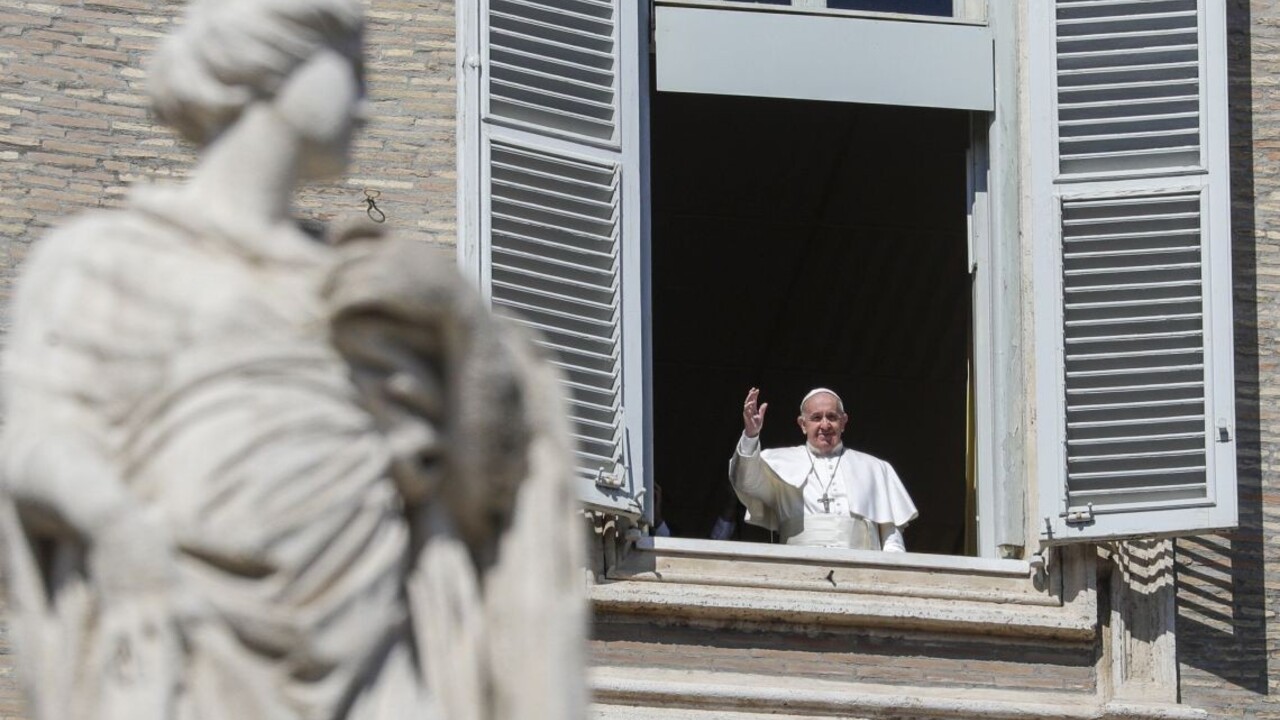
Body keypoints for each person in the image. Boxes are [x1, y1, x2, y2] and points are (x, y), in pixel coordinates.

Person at [0, 0, 583, 718]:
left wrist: (467, 330)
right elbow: (29, 440)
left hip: (374, 656)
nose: (367, 106)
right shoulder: (104, 259)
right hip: (193, 636)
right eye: (353, 70)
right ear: (269, 64)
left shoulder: (368, 290)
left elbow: (474, 508)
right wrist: (119, 531)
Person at [729, 387, 918, 551]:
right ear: (803, 425)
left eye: (832, 417)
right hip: (797, 565)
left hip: (862, 568)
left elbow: (891, 534)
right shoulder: (779, 462)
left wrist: (893, 566)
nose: (825, 425)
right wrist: (751, 435)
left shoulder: (875, 468)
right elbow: (745, 481)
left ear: (843, 422)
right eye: (816, 417)